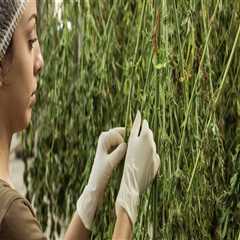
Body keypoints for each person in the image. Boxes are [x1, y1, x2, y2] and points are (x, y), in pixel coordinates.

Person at [0, 0, 160, 239]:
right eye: (31, 40)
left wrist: (90, 197)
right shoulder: (9, 215)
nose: (40, 61)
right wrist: (128, 201)